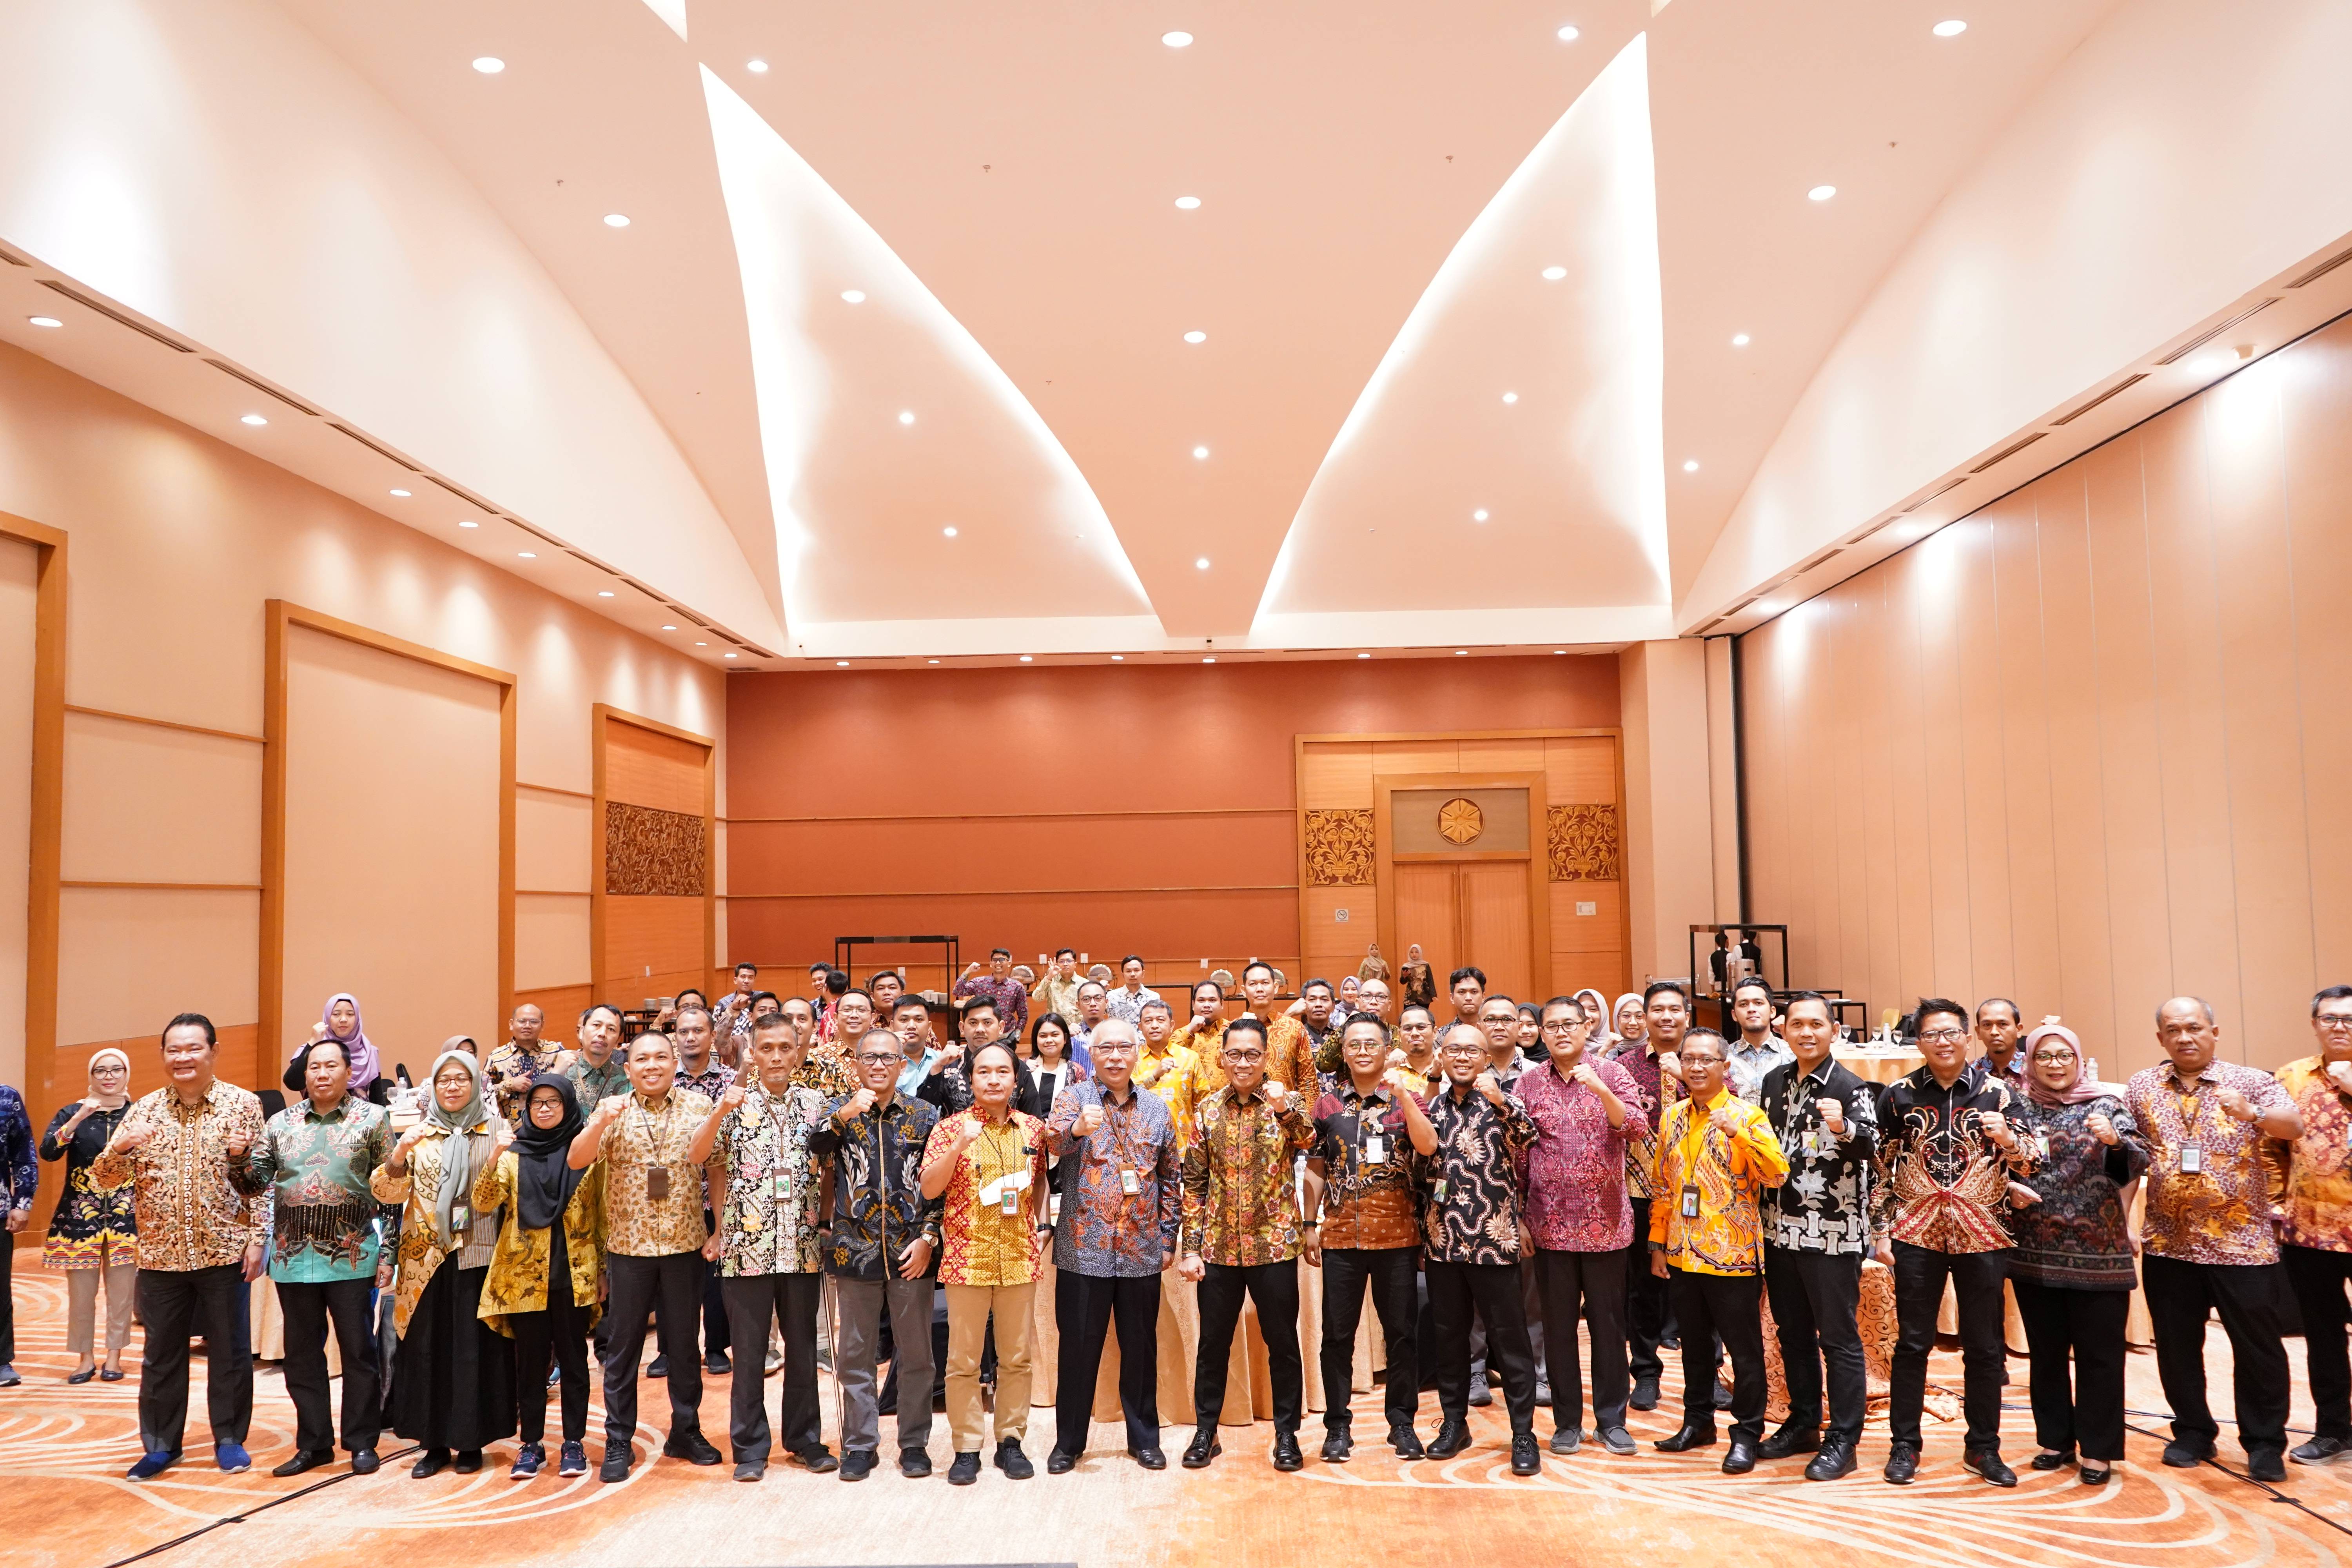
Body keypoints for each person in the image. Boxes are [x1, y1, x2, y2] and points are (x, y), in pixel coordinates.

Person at [2127, 996, 2299, 1482]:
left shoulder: (2251, 1081)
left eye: (2195, 1027)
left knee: (2259, 1348)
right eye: (2174, 1030)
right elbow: (2131, 1156)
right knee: (2179, 1346)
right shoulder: (2141, 1086)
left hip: (2242, 1243)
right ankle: (2193, 1431)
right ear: (2161, 1038)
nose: (2186, 1037)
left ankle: (2264, 1441)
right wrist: (2124, 1220)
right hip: (2169, 1242)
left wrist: (2254, 1113)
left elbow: (2295, 1126)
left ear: (2214, 1032)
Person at [1873, 997, 2038, 1487]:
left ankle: (1984, 1448)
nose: (1942, 1042)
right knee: (1913, 1344)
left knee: (1985, 1346)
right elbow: (1882, 1169)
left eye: (1951, 1033)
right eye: (1931, 1034)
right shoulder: (1898, 1095)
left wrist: (2009, 1139)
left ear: (1968, 1037)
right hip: (1916, 1232)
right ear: (1918, 1041)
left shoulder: (2001, 1094)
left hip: (1983, 1232)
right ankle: (1905, 1445)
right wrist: (1881, 1229)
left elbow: (2032, 1162)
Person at [93, 1013, 267, 1479]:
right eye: (174, 1049)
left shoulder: (243, 1106)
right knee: (161, 1355)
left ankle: (229, 1438)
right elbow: (105, 1181)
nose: (183, 1057)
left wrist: (257, 1239)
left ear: (212, 1051)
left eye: (193, 1048)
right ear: (164, 1055)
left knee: (229, 1352)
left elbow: (262, 1183)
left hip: (224, 1251)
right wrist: (121, 1149)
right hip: (160, 1255)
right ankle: (161, 1444)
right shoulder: (144, 1110)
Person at [567, 1031, 726, 1480]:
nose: (652, 1065)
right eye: (642, 1059)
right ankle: (619, 1438)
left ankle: (686, 1429)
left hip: (684, 1243)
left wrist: (720, 1227)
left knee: (682, 1344)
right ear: (628, 1066)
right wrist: (599, 1121)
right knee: (623, 1349)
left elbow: (716, 1166)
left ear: (675, 1061)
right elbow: (577, 1161)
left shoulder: (698, 1107)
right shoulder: (611, 1109)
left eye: (661, 1057)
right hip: (629, 1247)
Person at [231, 1038, 390, 1476]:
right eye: (314, 1067)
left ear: (348, 1072)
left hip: (352, 1255)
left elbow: (391, 1192)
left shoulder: (373, 1119)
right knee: (302, 1356)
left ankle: (361, 1441)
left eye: (330, 1066)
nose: (321, 1073)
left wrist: (389, 1253)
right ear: (305, 1076)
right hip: (292, 1258)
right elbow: (251, 1185)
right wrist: (236, 1156)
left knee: (359, 1351)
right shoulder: (280, 1123)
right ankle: (314, 1443)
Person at [689, 1012, 836, 1481]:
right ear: (752, 1051)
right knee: (749, 1353)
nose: (776, 1056)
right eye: (766, 1048)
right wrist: (716, 1230)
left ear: (798, 1051)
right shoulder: (731, 1102)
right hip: (745, 1246)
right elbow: (703, 1160)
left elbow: (828, 1167)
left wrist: (826, 1221)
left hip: (802, 1245)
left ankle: (804, 1439)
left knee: (802, 1349)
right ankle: (750, 1446)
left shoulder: (817, 1104)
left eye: (784, 1048)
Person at [2005, 1021, 2147, 1487]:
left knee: (2099, 1356)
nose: (2054, 1065)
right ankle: (2055, 1440)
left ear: (2079, 1059)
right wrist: (2008, 1183)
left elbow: (2136, 1162)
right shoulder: (2018, 1107)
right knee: (2046, 1354)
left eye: (2063, 1055)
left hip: (2099, 1253)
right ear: (2030, 1062)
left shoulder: (2107, 1104)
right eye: (2044, 1057)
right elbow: (1994, 1162)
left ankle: (2099, 1449)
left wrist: (2113, 1140)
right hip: (2035, 1251)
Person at [1042, 1017, 1182, 1472]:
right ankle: (1069, 1443)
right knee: (1079, 1349)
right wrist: (1078, 1129)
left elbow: (1172, 1178)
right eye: (1106, 1049)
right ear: (1092, 1054)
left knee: (1140, 1348)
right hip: (1084, 1248)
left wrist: (1168, 1237)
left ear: (1137, 1052)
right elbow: (1051, 1145)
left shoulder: (1158, 1109)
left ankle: (1144, 1439)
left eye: (1125, 1047)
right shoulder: (1073, 1099)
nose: (1116, 1056)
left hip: (1142, 1249)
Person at [1177, 1018, 1316, 1472]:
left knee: (1282, 1342)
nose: (1242, 1062)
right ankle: (1206, 1430)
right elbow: (1194, 1183)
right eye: (1234, 1054)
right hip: (1218, 1248)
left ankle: (1286, 1434)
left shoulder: (1285, 1103)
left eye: (1252, 1054)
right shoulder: (1207, 1111)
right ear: (1222, 1057)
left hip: (1274, 1245)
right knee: (1213, 1343)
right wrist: (1191, 1248)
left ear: (1265, 1058)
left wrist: (1284, 1110)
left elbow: (1311, 1141)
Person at [1647, 1028, 1788, 1472]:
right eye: (1689, 1058)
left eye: (1707, 1059)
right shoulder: (1671, 1117)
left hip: (1733, 1254)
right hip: (1683, 1252)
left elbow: (1776, 1174)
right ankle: (1698, 1422)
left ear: (1725, 1068)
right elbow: (1663, 1184)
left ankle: (1746, 1431)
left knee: (1744, 1351)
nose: (1696, 1066)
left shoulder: (1747, 1116)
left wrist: (1738, 1136)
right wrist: (1657, 1243)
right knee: (1693, 1346)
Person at [373, 1049, 515, 1476]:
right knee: (427, 1350)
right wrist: (398, 1155)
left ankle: (471, 1441)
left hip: (479, 1254)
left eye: (461, 1079)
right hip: (425, 1260)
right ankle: (432, 1443)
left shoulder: (497, 1131)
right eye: (444, 1080)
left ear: (476, 1084)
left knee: (475, 1351)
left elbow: (508, 1191)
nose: (453, 1087)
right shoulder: (419, 1135)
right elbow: (388, 1195)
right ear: (433, 1087)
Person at [811, 1027, 943, 1481]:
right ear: (857, 1063)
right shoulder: (839, 1113)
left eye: (888, 1058)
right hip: (854, 1252)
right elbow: (815, 1148)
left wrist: (928, 1237)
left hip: (912, 1253)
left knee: (917, 1355)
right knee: (854, 1355)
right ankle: (861, 1444)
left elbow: (942, 1186)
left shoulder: (926, 1115)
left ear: (903, 1064)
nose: (880, 1065)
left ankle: (914, 1443)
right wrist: (844, 1114)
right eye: (870, 1057)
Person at [1757, 992, 1878, 1481]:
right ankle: (1804, 1421)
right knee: (1792, 1334)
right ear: (1783, 1029)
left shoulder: (1852, 1086)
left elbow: (1875, 1145)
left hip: (1832, 1235)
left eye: (1817, 1025)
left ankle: (1844, 1438)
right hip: (1780, 1232)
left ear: (1834, 1031)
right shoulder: (1772, 1081)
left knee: (1839, 1339)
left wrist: (1844, 1126)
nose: (1806, 1033)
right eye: (1797, 1024)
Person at [1307, 1013, 1439, 1463]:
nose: (1362, 1051)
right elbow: (1317, 1168)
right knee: (1337, 1336)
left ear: (1387, 1050)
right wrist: (1310, 1224)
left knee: (1402, 1334)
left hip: (1398, 1237)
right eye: (1354, 1044)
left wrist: (1406, 1096)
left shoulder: (1407, 1098)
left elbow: (1427, 1147)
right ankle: (1337, 1427)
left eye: (1371, 1044)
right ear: (1343, 1052)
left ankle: (1401, 1423)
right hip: (1341, 1237)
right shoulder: (1326, 1106)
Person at [1519, 995, 1645, 1457]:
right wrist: (1518, 1216)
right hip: (1549, 1225)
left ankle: (1612, 1420)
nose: (1559, 1032)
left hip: (1607, 1225)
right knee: (1557, 1328)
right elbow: (1516, 1155)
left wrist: (1601, 1090)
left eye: (1568, 1024)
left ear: (1586, 1025)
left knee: (1610, 1327)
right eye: (1550, 1026)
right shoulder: (1528, 1084)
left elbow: (1634, 1127)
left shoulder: (1611, 1073)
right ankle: (1568, 1421)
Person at [921, 1040, 1050, 1485]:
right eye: (984, 1072)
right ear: (970, 1079)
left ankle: (1010, 1442)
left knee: (1017, 1357)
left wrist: (1044, 1225)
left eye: (1002, 1072)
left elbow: (1040, 1185)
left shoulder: (1033, 1129)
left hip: (1019, 1257)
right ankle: (966, 1447)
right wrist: (959, 1144)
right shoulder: (948, 1128)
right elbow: (930, 1189)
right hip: (966, 1258)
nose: (993, 1079)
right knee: (963, 1360)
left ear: (1016, 1080)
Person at [1418, 1023, 1542, 1474]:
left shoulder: (1505, 1102)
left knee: (1510, 1341)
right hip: (1444, 1243)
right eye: (1454, 1050)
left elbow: (1529, 1137)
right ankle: (1454, 1423)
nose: (1463, 1057)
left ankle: (1523, 1432)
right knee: (1449, 1339)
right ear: (1443, 1057)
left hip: (1494, 1242)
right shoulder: (1431, 1107)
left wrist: (1500, 1100)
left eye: (1472, 1050)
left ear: (1487, 1057)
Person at [474, 1073, 604, 1479]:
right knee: (529, 1366)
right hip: (523, 1276)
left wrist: (603, 1270)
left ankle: (573, 1444)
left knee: (574, 1362)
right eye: (537, 1102)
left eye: (553, 1102)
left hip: (574, 1273)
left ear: (568, 1106)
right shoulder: (513, 1153)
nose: (545, 1108)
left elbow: (601, 1214)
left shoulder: (585, 1152)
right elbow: (482, 1202)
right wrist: (494, 1156)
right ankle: (531, 1444)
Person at [2278, 985, 2352, 1466]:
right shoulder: (2292, 1077)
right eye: (2329, 1018)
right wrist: (2272, 1200)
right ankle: (2334, 1430)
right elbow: (2268, 1144)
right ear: (2314, 1024)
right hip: (2312, 1231)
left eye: (2349, 1019)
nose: (2340, 1026)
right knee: (2324, 1336)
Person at [39, 1048, 138, 1383]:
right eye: (101, 1071)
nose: (109, 1077)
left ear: (127, 1073)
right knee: (81, 1294)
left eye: (116, 1070)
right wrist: (80, 1117)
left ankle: (114, 1356)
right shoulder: (71, 1111)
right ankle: (85, 1358)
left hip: (128, 1217)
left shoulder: (141, 1113)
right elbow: (49, 1152)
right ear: (91, 1076)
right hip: (79, 1218)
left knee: (122, 1292)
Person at [1618, 983, 1689, 1411]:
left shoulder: (1707, 1059)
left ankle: (1710, 1370)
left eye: (1674, 1009)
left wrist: (1684, 1075)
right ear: (1644, 1017)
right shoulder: (1623, 1066)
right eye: (1657, 1009)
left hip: (1700, 1197)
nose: (1666, 1016)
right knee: (1641, 1290)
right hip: (1640, 1192)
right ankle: (1645, 1372)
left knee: (1700, 1289)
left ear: (1686, 1016)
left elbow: (1731, 1108)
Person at [1238, 961, 1317, 1092]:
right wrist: (1241, 1029)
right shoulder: (1232, 1029)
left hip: (1284, 1111)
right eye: (1253, 984)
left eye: (1265, 983)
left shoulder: (1294, 1028)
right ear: (1243, 990)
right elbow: (1220, 1063)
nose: (1259, 989)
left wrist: (1308, 1112)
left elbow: (1308, 1080)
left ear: (1275, 987)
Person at [292, 993, 382, 1102]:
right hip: (317, 1118)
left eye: (350, 1014)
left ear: (357, 1018)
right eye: (336, 1014)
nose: (343, 1019)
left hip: (362, 1118)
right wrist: (312, 1043)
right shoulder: (313, 1050)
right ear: (327, 1018)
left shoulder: (369, 1052)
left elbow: (378, 1100)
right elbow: (293, 1083)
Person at [1724, 979, 1793, 1105]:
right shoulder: (1724, 1058)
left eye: (1758, 1003)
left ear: (1773, 1012)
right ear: (1734, 1015)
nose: (1751, 1009)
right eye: (1743, 1005)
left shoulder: (1793, 1053)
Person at [486, 1004, 559, 1125]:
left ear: (542, 1025)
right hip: (513, 1131)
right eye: (522, 1021)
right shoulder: (496, 1057)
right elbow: (485, 1096)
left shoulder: (555, 1051)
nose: (527, 1026)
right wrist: (510, 1084)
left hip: (551, 1128)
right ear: (511, 1024)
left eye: (534, 1022)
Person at [561, 1002, 630, 1110]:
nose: (602, 1033)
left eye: (611, 1029)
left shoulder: (624, 1079)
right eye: (596, 1025)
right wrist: (555, 1074)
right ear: (582, 1032)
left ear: (618, 1041)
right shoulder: (562, 1073)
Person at [953, 948, 1029, 1043]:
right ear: (991, 964)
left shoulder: (1017, 986)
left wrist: (1017, 1033)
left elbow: (1023, 1015)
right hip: (983, 1036)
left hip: (1007, 1037)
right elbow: (958, 991)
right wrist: (968, 971)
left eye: (1002, 960)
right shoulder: (980, 983)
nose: (998, 963)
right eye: (995, 960)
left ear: (1009, 963)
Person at [1971, 998, 2028, 1089]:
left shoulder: (2036, 1071)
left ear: (2019, 1030)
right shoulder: (1970, 1074)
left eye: (2003, 1024)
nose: (1994, 1032)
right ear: (1978, 1032)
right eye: (1987, 1025)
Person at [713, 960, 762, 1063]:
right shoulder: (723, 1003)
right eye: (743, 977)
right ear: (735, 980)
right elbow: (714, 1029)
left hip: (757, 1047)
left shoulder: (761, 1000)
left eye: (750, 978)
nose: (747, 981)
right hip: (730, 1050)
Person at [1388, 1004, 1440, 1096]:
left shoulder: (1447, 1069)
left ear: (1435, 1033)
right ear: (1399, 1035)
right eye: (1408, 1029)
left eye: (1421, 1027)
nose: (1415, 1033)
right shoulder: (1389, 1071)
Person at [1477, 995, 1527, 1085]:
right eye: (1491, 1020)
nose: (1499, 1027)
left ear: (1519, 1028)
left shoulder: (1538, 1073)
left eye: (1507, 1019)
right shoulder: (1467, 1073)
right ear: (1479, 1028)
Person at [1297, 978, 1341, 1076]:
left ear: (1333, 1006)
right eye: (1312, 1000)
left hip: (1338, 1091)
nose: (1318, 1005)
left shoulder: (1341, 1035)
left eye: (1324, 1000)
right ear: (1303, 1004)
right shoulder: (1296, 1034)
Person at [1105, 955, 1161, 1031]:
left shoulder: (1154, 997)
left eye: (1136, 970)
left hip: (1145, 1042)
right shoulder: (1111, 996)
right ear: (1123, 975)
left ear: (1143, 974)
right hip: (1119, 1041)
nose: (1132, 974)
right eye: (1128, 971)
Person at [1033, 948, 1083, 1028]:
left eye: (1069, 961)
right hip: (1055, 1029)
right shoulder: (1050, 981)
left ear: (1075, 964)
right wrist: (1049, 977)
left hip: (1078, 1030)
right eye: (1062, 961)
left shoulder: (1084, 984)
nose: (1065, 964)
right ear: (1057, 964)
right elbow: (1037, 998)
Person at [1067, 980, 1110, 1069]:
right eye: (1086, 1000)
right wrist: (1065, 1036)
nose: (1093, 1004)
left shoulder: (1117, 1033)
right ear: (1078, 1005)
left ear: (1106, 1003)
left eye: (1098, 998)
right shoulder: (1071, 1036)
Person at [1445, 967, 1486, 1035]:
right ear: (1452, 998)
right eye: (1462, 992)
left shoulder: (1491, 1032)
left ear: (1483, 997)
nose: (1468, 998)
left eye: (1474, 992)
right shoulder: (1442, 1035)